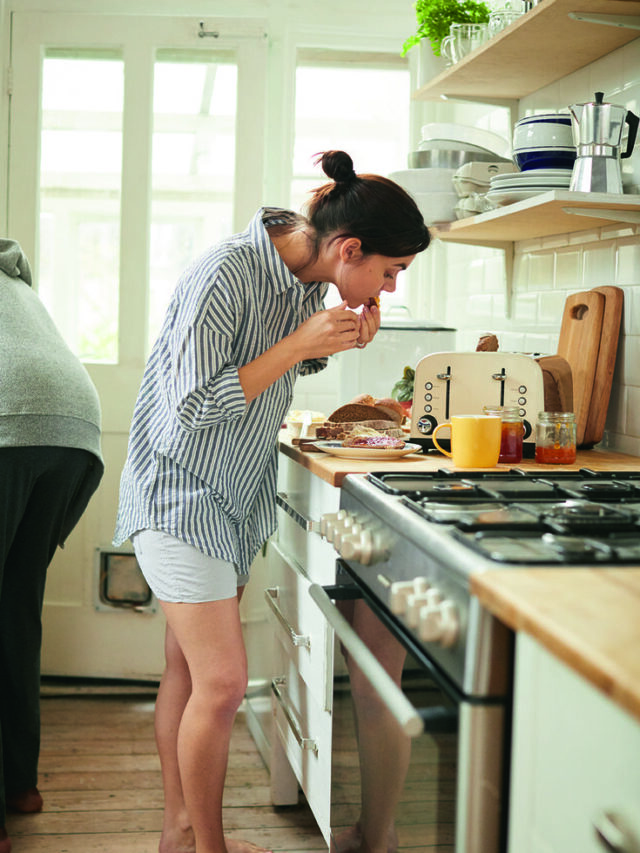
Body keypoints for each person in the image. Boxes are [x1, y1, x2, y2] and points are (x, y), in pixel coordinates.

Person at [112, 149, 431, 853]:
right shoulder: (227, 271)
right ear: (350, 248)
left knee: (189, 670)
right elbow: (194, 403)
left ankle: (180, 834)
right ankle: (209, 850)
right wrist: (299, 346)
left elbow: (269, 357)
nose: (389, 285)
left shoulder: (303, 279)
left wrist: (328, 345)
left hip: (228, 493)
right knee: (224, 684)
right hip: (179, 488)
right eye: (389, 270)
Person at [0, 239, 104, 853]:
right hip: (70, 427)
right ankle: (20, 784)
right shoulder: (17, 287)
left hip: (9, 421)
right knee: (15, 609)